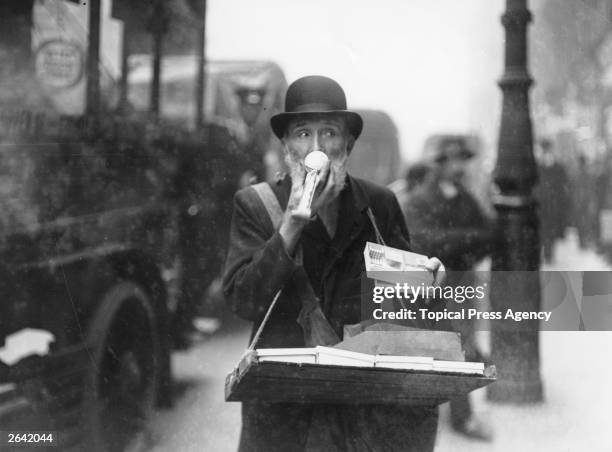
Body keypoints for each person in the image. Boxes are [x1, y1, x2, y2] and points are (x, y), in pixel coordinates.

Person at [223, 75, 445, 452]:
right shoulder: (257, 207)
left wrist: (429, 284)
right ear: (286, 145)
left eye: (329, 133)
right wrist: (290, 229)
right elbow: (244, 301)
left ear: (348, 144)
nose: (317, 149)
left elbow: (407, 305)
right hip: (286, 414)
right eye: (303, 134)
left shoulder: (378, 206)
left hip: (363, 413)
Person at [400, 135, 495, 441]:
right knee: (439, 347)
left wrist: (457, 243)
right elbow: (423, 242)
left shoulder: (466, 198)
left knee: (461, 346)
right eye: (451, 161)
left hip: (462, 282)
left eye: (462, 161)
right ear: (439, 165)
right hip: (433, 285)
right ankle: (443, 412)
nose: (458, 167)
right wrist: (464, 241)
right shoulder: (421, 200)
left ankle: (460, 415)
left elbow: (487, 236)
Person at [535, 138, 570, 262]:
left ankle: (549, 254)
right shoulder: (538, 167)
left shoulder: (558, 167)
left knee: (550, 229)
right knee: (543, 230)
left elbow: (563, 185)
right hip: (541, 204)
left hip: (553, 204)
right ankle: (546, 253)